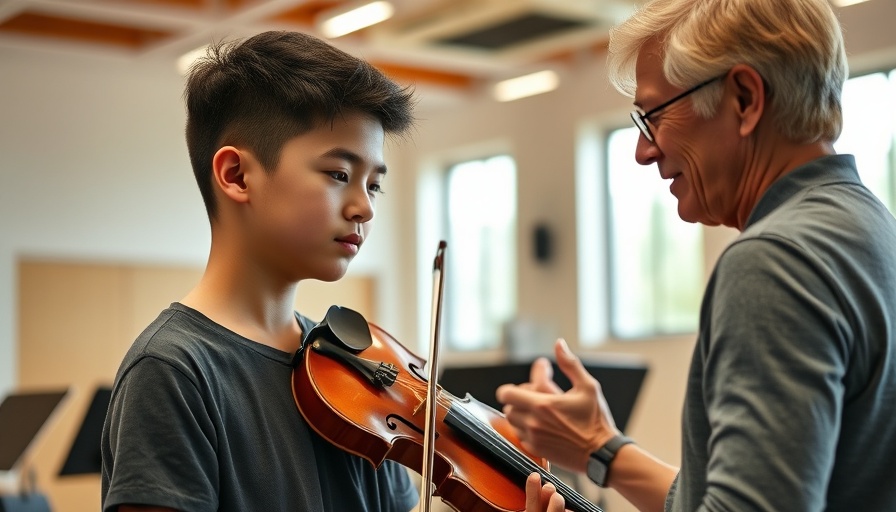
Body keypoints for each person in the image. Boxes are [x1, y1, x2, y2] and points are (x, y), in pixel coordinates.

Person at [497, 0, 896, 510]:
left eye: (655, 115)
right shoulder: (869, 231)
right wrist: (600, 445)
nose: (644, 150)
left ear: (746, 99)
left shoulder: (773, 262)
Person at [100, 31, 418, 512]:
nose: (363, 208)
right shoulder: (173, 371)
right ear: (237, 176)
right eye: (338, 174)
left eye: (374, 185)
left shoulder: (355, 375)